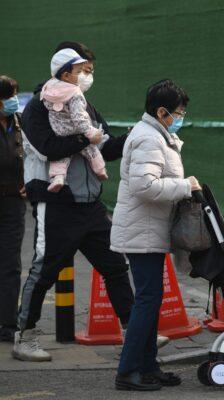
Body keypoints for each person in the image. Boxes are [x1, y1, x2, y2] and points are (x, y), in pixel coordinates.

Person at [13, 41, 152, 362]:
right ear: (65, 69)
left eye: (89, 71)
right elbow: (49, 147)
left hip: (90, 205)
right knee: (44, 270)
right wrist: (84, 138)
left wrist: (132, 136)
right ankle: (26, 337)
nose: (87, 76)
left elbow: (103, 146)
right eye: (83, 70)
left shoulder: (84, 105)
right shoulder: (37, 106)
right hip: (56, 201)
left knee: (115, 267)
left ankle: (135, 334)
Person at [111, 79, 197, 391]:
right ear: (161, 112)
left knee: (150, 299)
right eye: (178, 112)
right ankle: (128, 371)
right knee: (147, 301)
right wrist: (186, 185)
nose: (181, 118)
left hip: (146, 229)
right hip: (142, 231)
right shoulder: (149, 139)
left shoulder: (154, 134)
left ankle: (148, 367)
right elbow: (144, 186)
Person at [41, 48, 108, 192]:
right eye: (79, 72)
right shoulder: (75, 92)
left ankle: (58, 178)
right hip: (77, 130)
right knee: (91, 149)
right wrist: (90, 132)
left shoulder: (48, 89)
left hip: (59, 131)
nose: (81, 76)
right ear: (66, 75)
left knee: (60, 157)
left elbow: (48, 105)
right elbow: (79, 118)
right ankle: (100, 170)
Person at [0, 75, 26, 343]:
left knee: (10, 264)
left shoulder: (21, 122)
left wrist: (29, 183)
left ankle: (8, 324)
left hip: (13, 203)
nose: (12, 102)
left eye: (13, 95)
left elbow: (36, 155)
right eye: (7, 97)